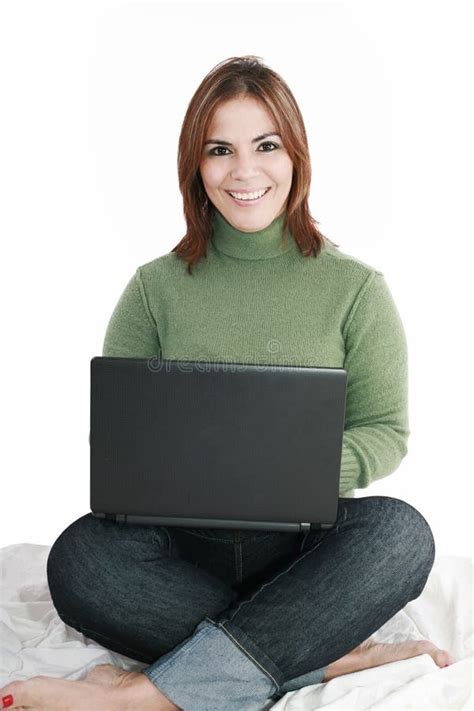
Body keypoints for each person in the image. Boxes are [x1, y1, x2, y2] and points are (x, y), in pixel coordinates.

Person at [0, 55, 453, 711]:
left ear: (295, 153)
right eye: (220, 149)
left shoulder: (355, 290)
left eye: (265, 145)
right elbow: (122, 436)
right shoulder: (153, 289)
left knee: (402, 534)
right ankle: (322, 654)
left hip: (302, 546)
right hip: (183, 548)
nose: (244, 171)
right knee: (79, 558)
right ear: (196, 165)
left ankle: (141, 694)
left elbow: (385, 430)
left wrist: (291, 471)